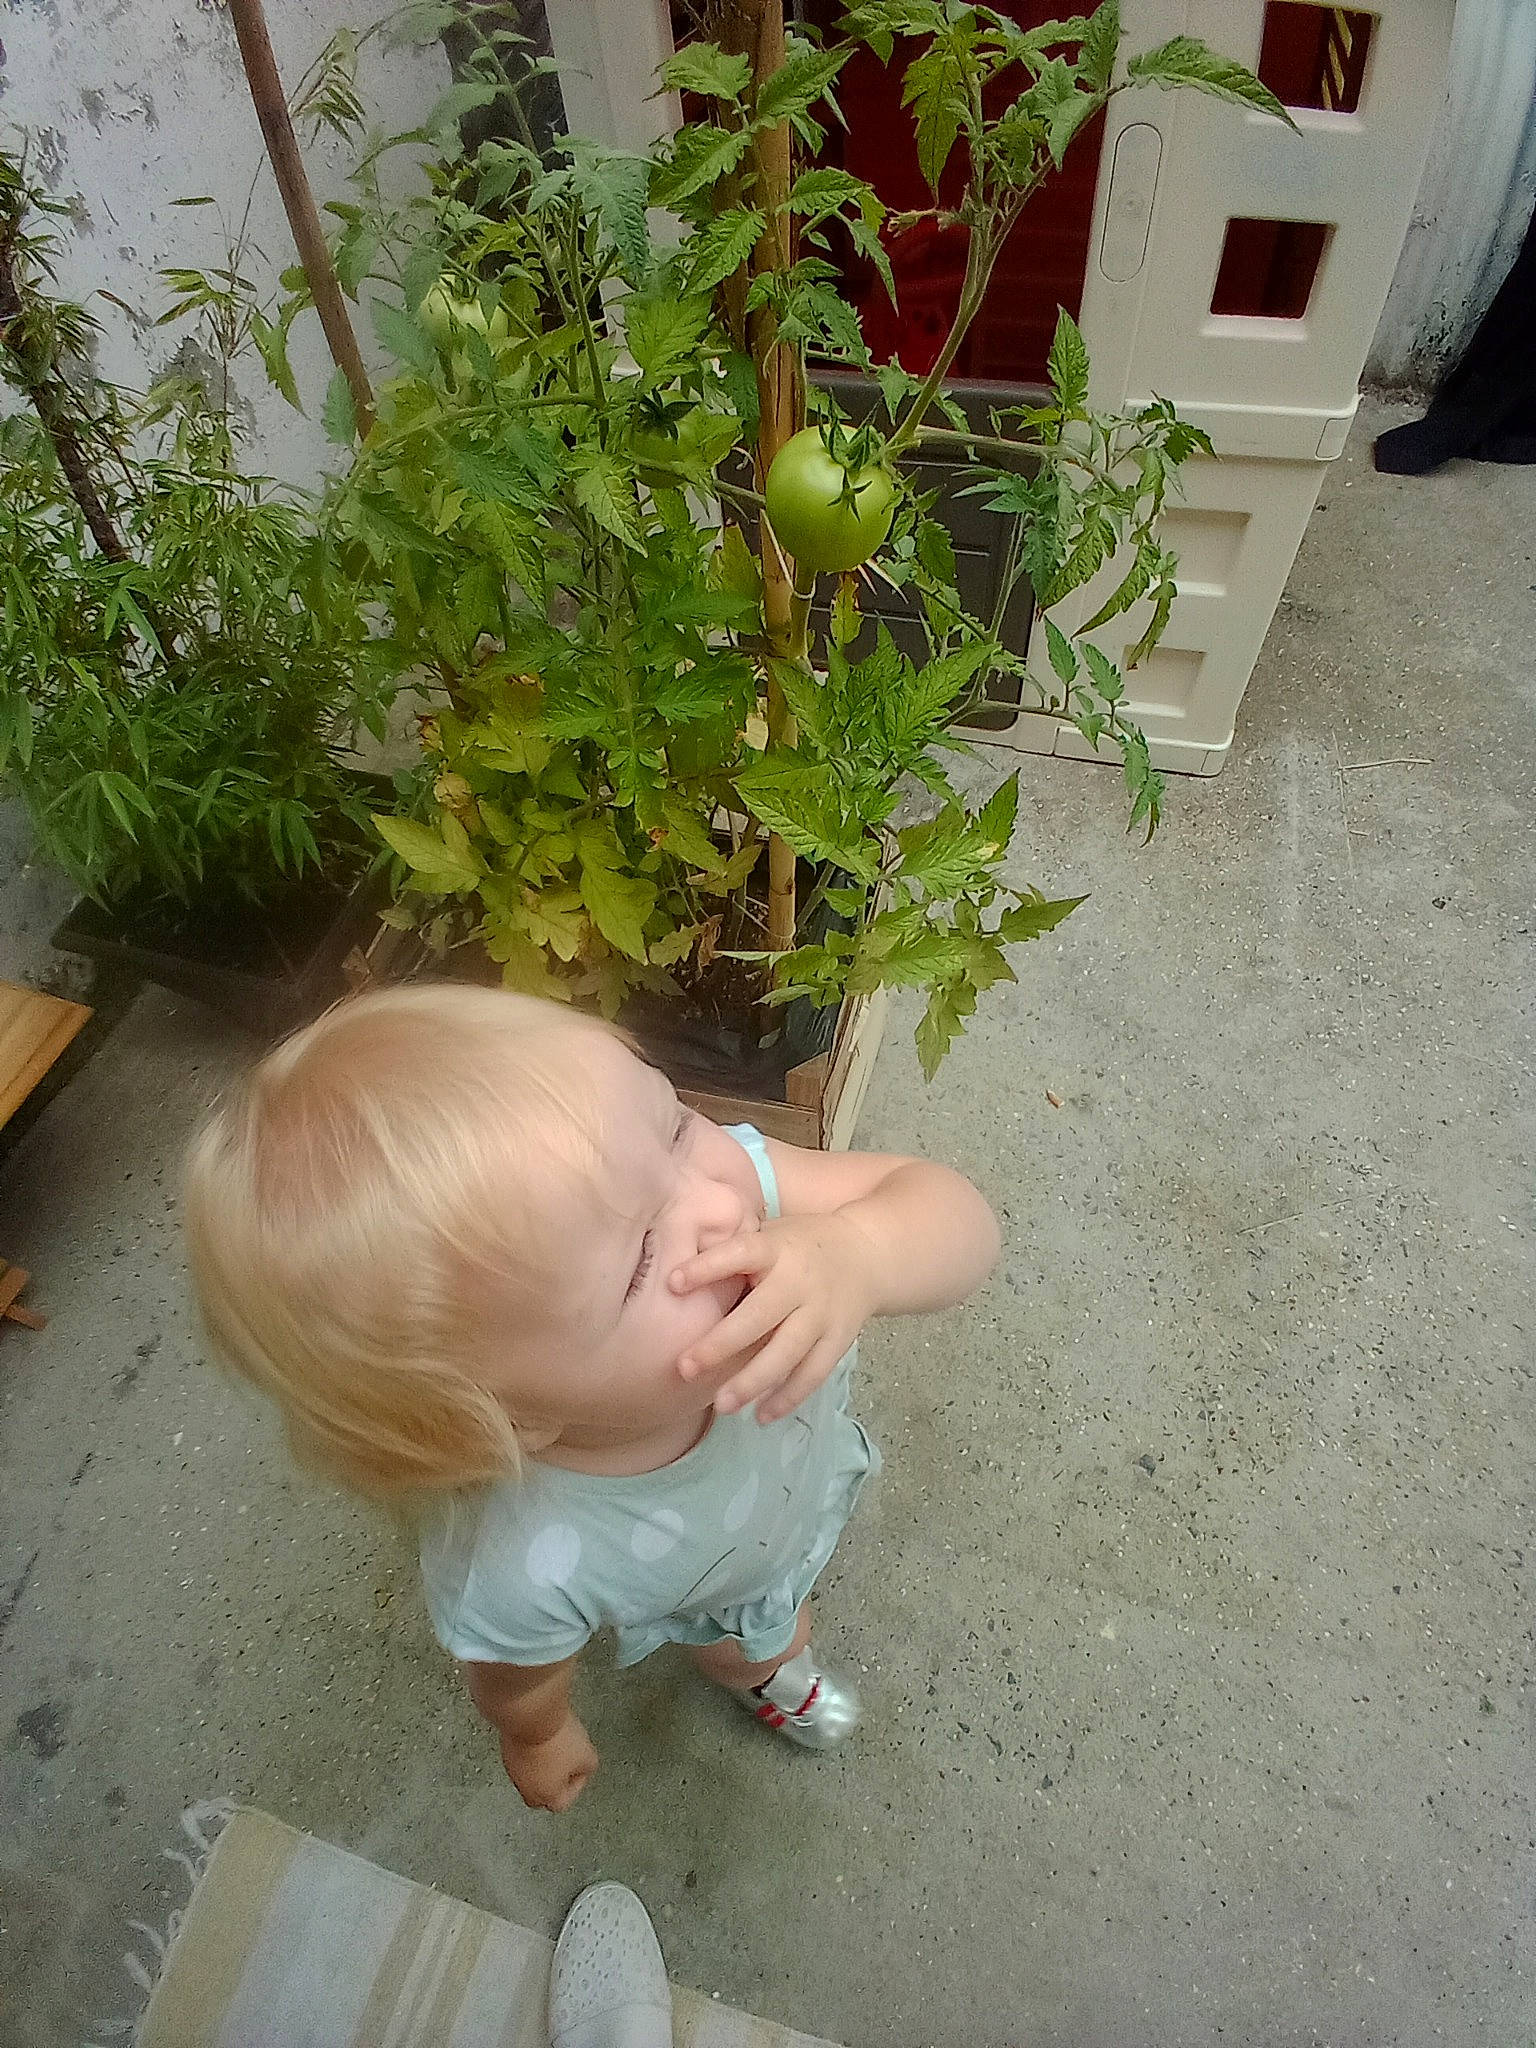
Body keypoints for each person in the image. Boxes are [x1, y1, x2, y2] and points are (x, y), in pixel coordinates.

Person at [185, 985, 998, 1812]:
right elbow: (518, 1676)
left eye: (675, 1122)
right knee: (756, 1634)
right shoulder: (523, 1562)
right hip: (722, 1578)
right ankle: (769, 1672)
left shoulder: (727, 1186)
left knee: (792, 1549)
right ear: (514, 1421)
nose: (724, 1204)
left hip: (797, 1468)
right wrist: (534, 1733)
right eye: (643, 1261)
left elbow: (957, 1217)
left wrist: (861, 1248)